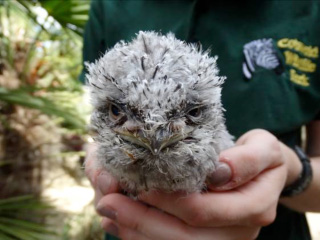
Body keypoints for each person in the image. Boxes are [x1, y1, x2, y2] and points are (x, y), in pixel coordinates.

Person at [81, 1, 320, 240]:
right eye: (116, 111)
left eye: (192, 113)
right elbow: (91, 128)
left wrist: (293, 173)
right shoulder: (109, 4)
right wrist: (96, 168)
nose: (154, 135)